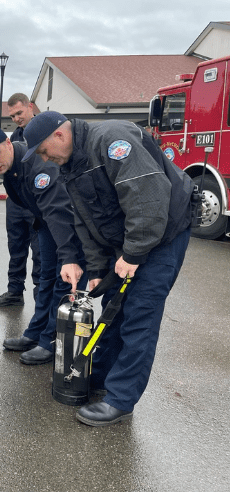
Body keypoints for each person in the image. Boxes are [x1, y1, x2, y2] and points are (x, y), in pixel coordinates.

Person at [22, 111, 195, 426]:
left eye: (45, 151)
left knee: (139, 316)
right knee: (112, 310)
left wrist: (132, 254)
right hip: (128, 240)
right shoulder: (71, 165)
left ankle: (121, 399)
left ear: (60, 135)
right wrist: (99, 268)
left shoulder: (112, 140)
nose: (46, 159)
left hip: (163, 234)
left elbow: (148, 198)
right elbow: (85, 222)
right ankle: (100, 376)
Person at [0, 127, 86, 365]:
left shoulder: (38, 167)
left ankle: (50, 340)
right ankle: (35, 333)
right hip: (46, 223)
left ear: (8, 142)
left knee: (62, 282)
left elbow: (58, 211)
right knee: (46, 278)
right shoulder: (11, 173)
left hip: (70, 226)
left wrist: (69, 257)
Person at [0, 93, 41, 307]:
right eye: (12, 116)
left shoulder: (43, 131)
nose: (17, 118)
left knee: (40, 253)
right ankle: (14, 291)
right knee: (16, 247)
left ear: (30, 107)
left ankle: (42, 297)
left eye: (19, 113)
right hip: (16, 202)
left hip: (38, 202)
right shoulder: (15, 136)